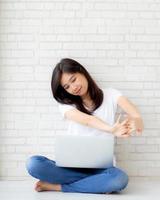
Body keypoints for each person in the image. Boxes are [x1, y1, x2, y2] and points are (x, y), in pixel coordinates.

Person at [25, 58, 144, 194]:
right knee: (33, 164)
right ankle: (95, 183)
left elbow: (135, 114)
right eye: (67, 87)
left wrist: (136, 123)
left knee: (119, 179)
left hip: (102, 168)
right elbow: (87, 120)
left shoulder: (111, 94)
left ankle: (57, 187)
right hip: (71, 167)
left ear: (82, 72)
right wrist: (111, 129)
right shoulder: (66, 105)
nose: (73, 87)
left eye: (73, 79)